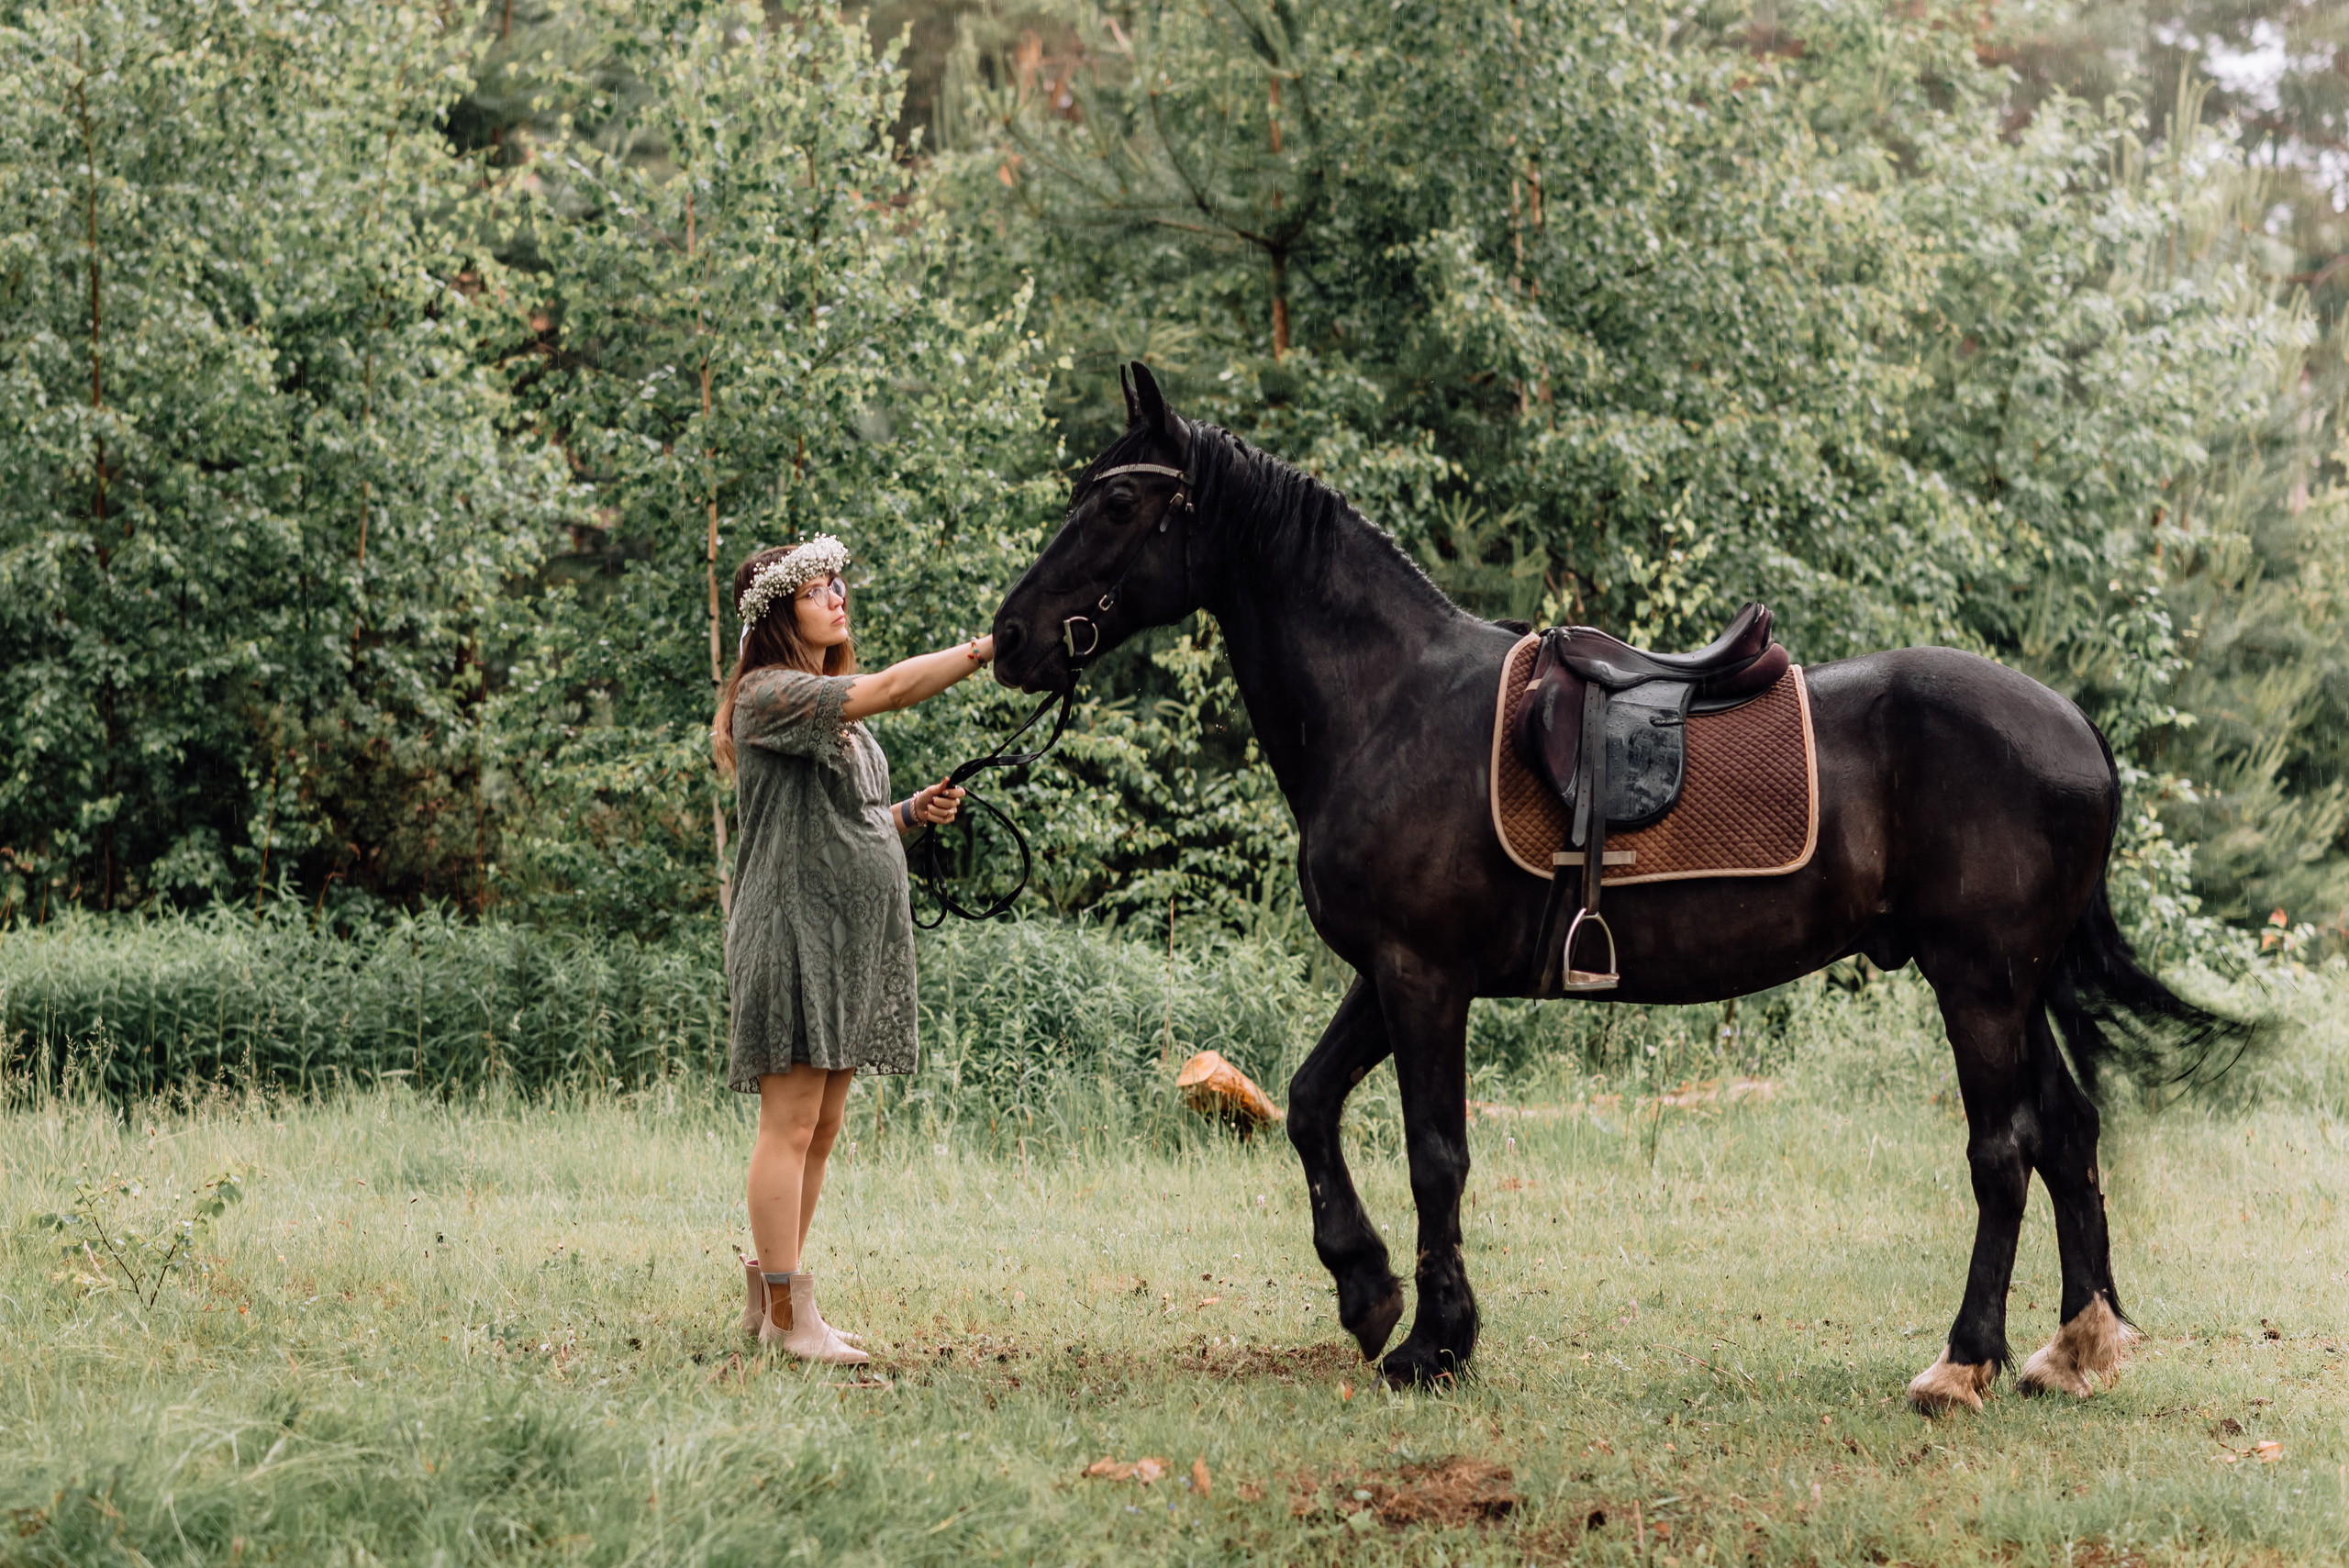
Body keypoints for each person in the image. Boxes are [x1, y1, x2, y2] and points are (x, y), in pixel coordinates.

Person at [712, 534, 994, 1362]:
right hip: (792, 932)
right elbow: (898, 688)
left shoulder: (822, 696)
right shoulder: (771, 692)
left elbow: (845, 818)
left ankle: (773, 1308)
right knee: (790, 1122)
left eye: (839, 583)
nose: (838, 595)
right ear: (777, 613)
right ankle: (792, 1317)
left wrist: (909, 813)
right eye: (818, 588)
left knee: (823, 1122)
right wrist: (983, 650)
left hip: (842, 939)